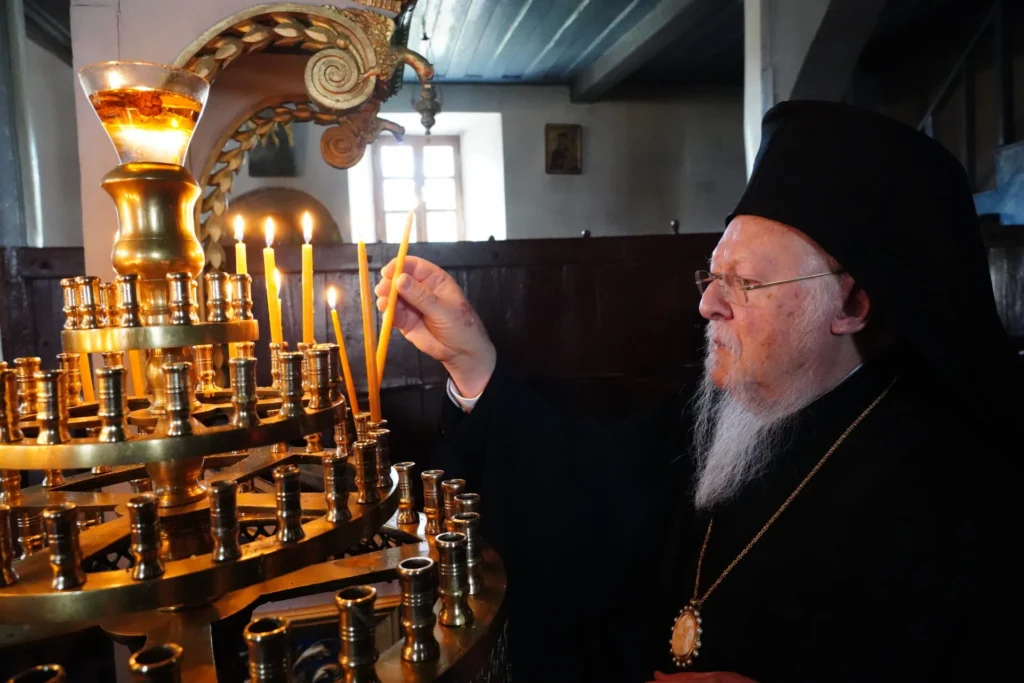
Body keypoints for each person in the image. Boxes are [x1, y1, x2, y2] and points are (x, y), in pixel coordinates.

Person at [374, 101, 1023, 682]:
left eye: (742, 284)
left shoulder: (959, 491)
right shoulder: (725, 417)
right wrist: (471, 358)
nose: (709, 302)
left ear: (851, 303)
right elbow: (588, 486)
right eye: (711, 275)